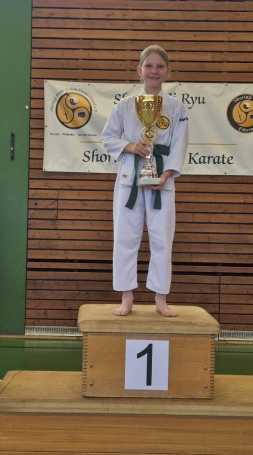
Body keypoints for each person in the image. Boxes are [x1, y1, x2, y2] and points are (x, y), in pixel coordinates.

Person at [101, 44, 189, 317]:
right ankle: (126, 296)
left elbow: (180, 144)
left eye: (160, 66)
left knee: (162, 239)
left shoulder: (177, 107)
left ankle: (160, 297)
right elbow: (108, 137)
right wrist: (130, 146)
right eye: (149, 66)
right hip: (130, 176)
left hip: (162, 178)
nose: (154, 71)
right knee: (125, 237)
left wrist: (166, 174)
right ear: (139, 71)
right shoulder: (125, 105)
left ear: (168, 72)